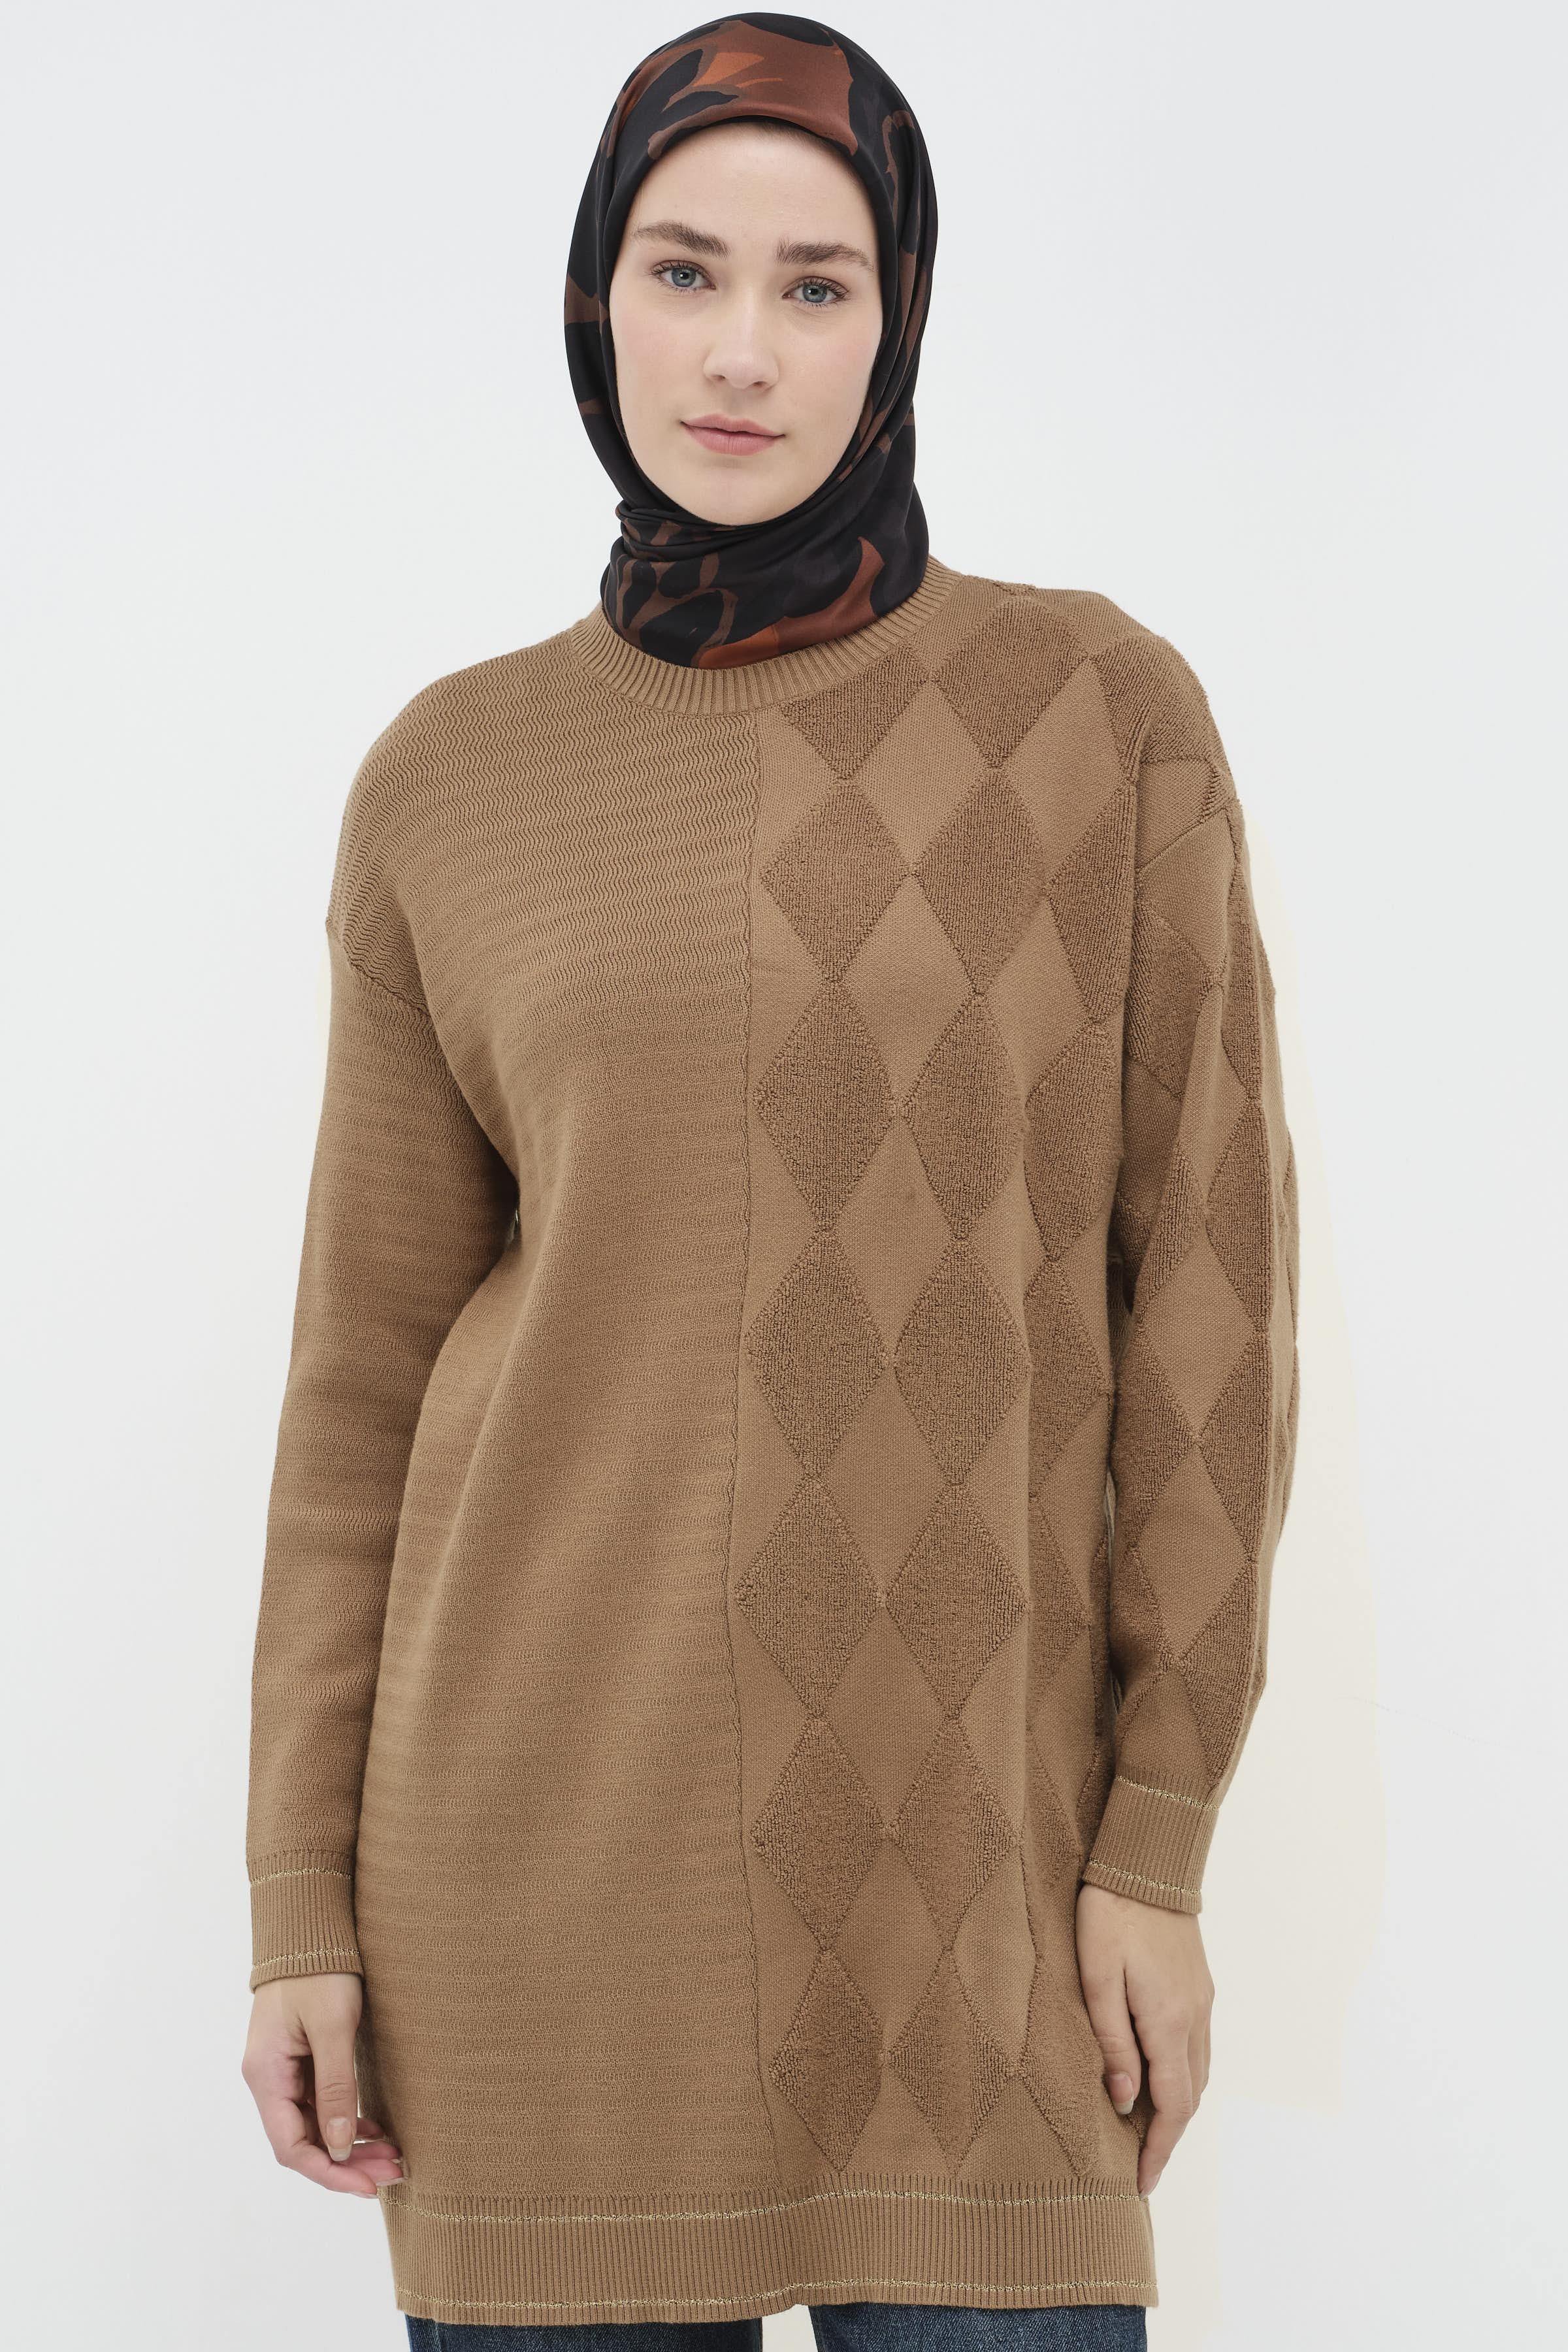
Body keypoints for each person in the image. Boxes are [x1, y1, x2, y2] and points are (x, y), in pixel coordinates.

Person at [241, 14, 1300, 2351]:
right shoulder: (448, 780)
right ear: (594, 296)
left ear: (898, 318)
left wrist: (1154, 1845)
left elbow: (1208, 1313)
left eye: (817, 285)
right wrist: (296, 1899)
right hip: (529, 1911)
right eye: (683, 269)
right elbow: (360, 1391)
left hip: (979, 1913)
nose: (739, 352)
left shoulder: (1098, 719)